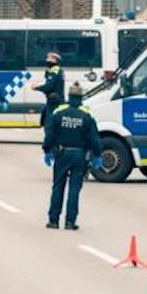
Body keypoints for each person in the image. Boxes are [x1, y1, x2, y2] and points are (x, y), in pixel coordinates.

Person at [42, 82, 101, 230]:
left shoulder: (58, 112)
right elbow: (94, 137)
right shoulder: (87, 114)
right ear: (81, 97)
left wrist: (47, 150)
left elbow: (50, 133)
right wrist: (97, 155)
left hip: (61, 154)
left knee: (58, 186)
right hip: (79, 155)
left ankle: (54, 220)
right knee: (74, 188)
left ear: (69, 96)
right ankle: (70, 222)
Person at [35, 51, 65, 126]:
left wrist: (36, 87)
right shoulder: (57, 70)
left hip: (54, 101)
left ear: (54, 60)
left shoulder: (54, 70)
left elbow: (49, 87)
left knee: (50, 123)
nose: (47, 60)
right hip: (57, 99)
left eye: (49, 58)